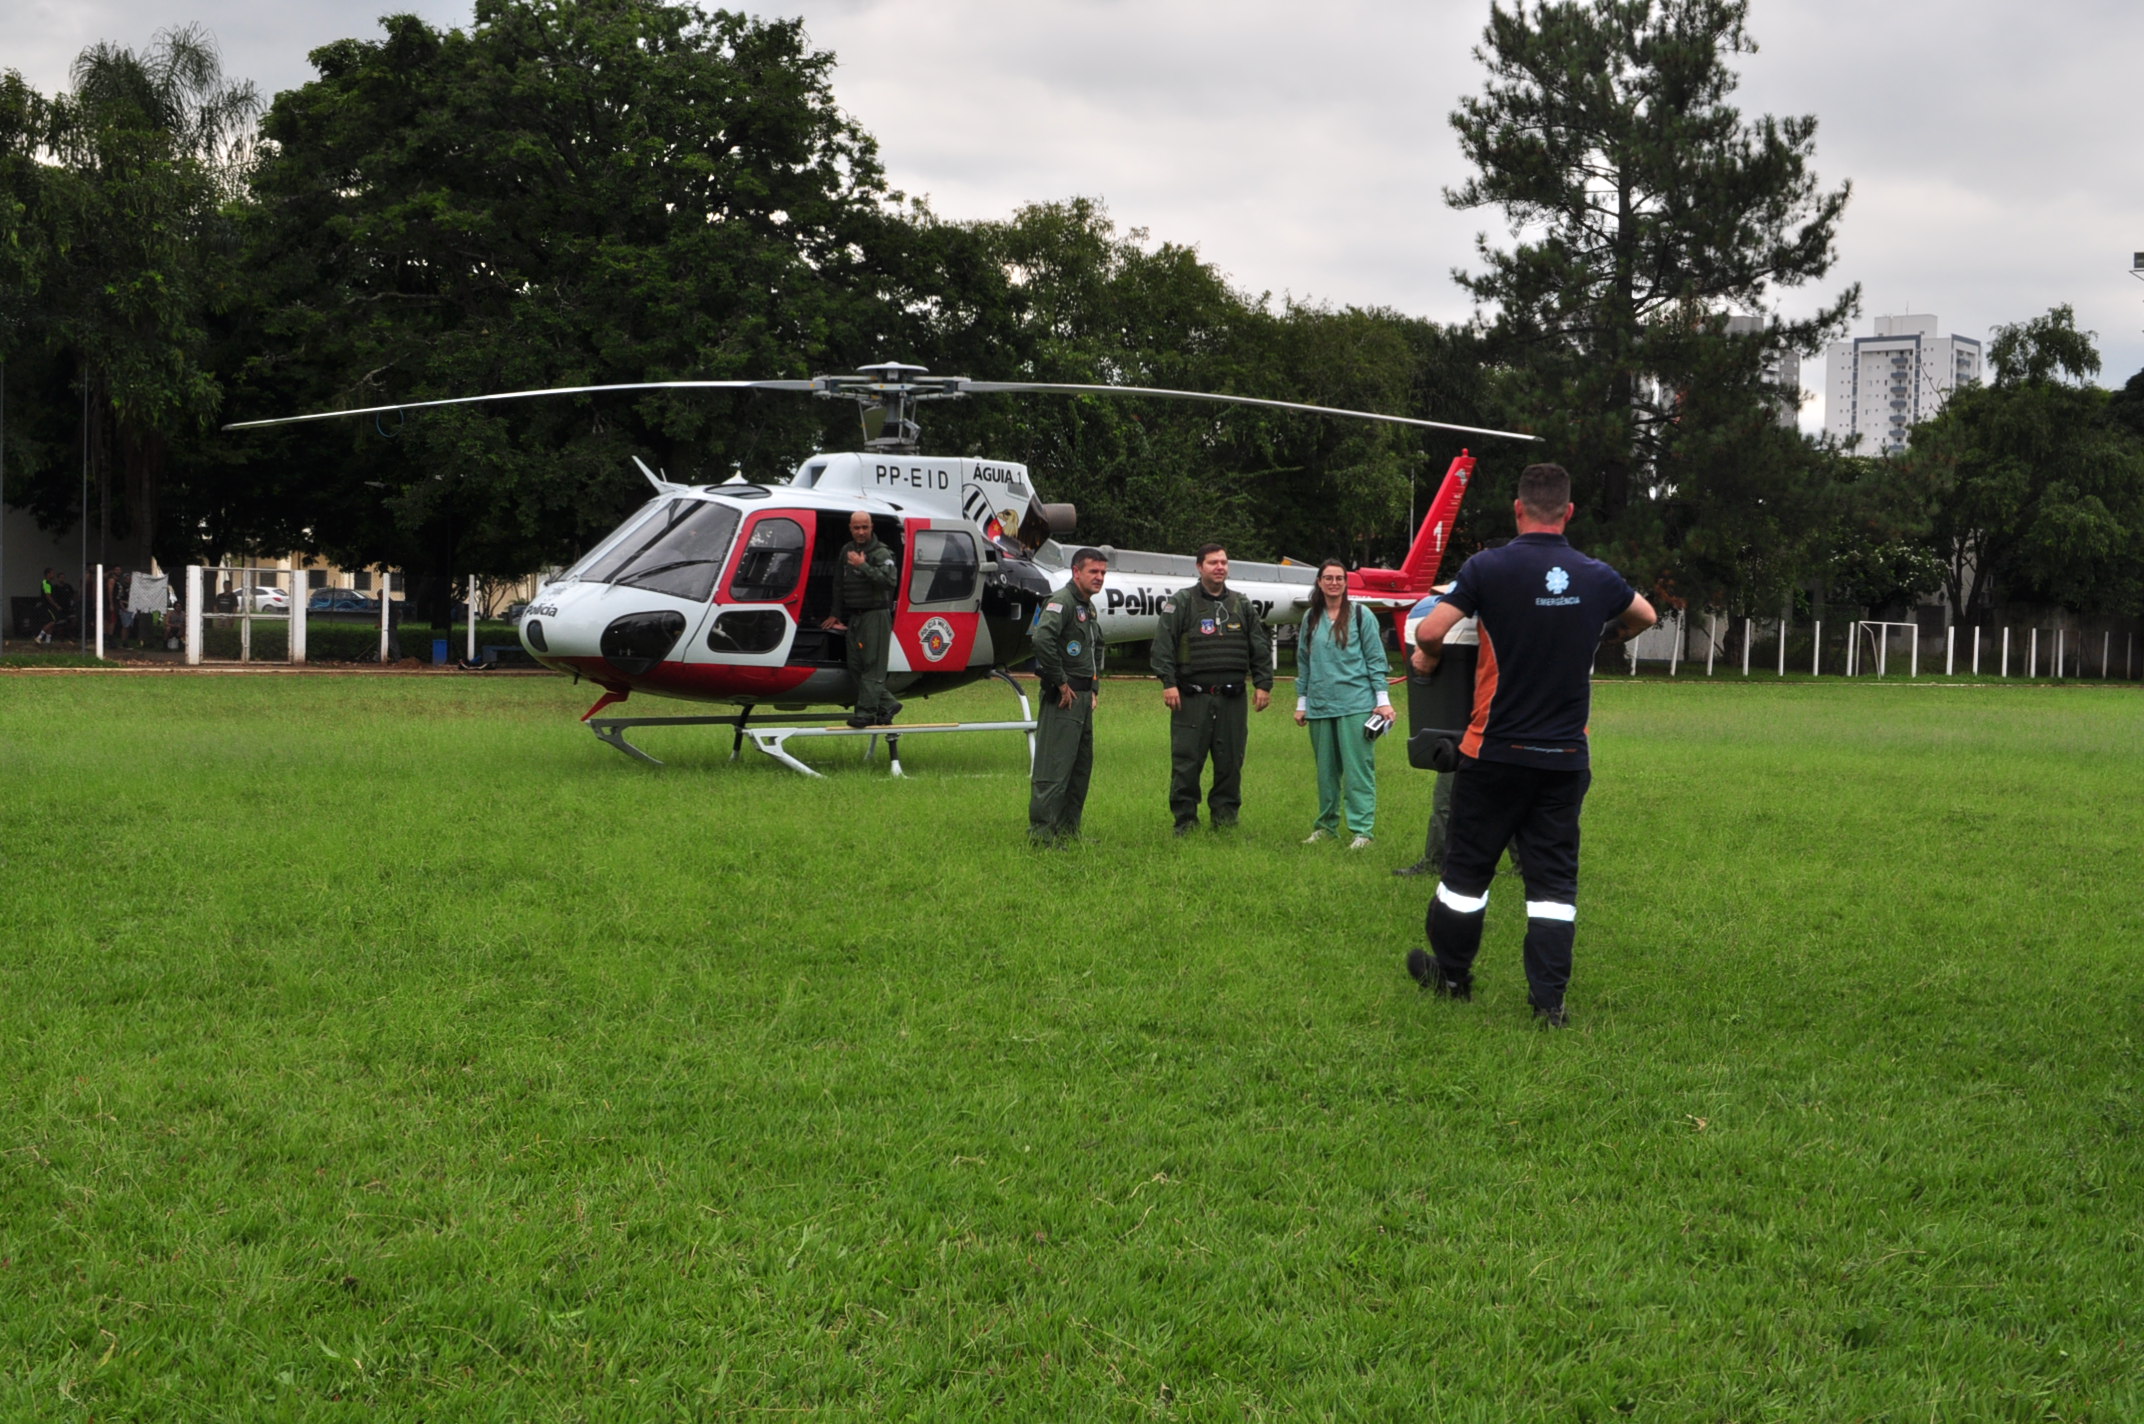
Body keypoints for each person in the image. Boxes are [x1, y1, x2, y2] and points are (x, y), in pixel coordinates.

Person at [1404, 463, 1656, 1027]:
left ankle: (1452, 976)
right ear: (1569, 513)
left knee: (1466, 877)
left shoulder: (1487, 567)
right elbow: (1645, 614)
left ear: (1518, 509)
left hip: (1493, 752)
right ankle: (1549, 1004)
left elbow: (1429, 630)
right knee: (1553, 888)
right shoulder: (1596, 576)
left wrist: (1429, 658)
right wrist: (1598, 635)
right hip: (1564, 759)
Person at [1394, 577, 1522, 881]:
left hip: (1494, 726)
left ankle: (1525, 864)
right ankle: (1436, 860)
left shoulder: (1510, 621)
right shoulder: (1474, 620)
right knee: (1449, 797)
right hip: (1464, 727)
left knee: (1504, 798)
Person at [1151, 544, 1274, 833]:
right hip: (1192, 697)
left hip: (1232, 698)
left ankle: (1226, 821)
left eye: (1224, 562)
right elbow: (1163, 646)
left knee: (1230, 761)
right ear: (1199, 567)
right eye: (1213, 562)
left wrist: (1263, 684)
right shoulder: (1182, 602)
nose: (1220, 567)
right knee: (1187, 762)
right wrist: (1168, 683)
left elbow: (1259, 645)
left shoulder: (1241, 604)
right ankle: (1185, 822)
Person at [1293, 558, 1396, 849]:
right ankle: (1326, 827)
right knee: (1325, 773)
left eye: (1339, 578)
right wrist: (1302, 703)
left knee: (1357, 771)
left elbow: (1376, 659)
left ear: (1346, 583)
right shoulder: (1311, 617)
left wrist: (1383, 701)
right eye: (1328, 578)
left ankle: (1362, 832)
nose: (1334, 583)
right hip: (1320, 705)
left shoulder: (1362, 615)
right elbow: (1304, 661)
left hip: (1356, 703)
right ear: (1319, 582)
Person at [1029, 548, 1108, 845]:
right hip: (1064, 698)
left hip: (1083, 698)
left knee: (1079, 769)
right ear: (1076, 572)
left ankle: (1068, 832)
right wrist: (1060, 682)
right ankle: (1042, 836)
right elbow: (1042, 639)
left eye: (1103, 572)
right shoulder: (1061, 602)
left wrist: (1094, 687)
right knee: (1054, 767)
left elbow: (1095, 646)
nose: (1099, 577)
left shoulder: (1087, 607)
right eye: (1093, 571)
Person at [820, 510, 901, 728]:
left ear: (872, 527)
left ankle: (865, 714)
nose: (861, 532)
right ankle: (888, 704)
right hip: (855, 615)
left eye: (865, 527)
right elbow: (839, 583)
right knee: (855, 664)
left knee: (873, 666)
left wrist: (862, 566)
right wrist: (835, 613)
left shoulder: (881, 552)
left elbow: (889, 581)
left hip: (876, 615)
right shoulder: (847, 550)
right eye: (857, 528)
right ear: (851, 529)